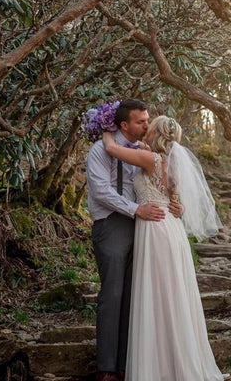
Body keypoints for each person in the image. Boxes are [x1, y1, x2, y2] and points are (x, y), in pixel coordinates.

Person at [102, 115, 227, 381]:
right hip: (171, 229)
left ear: (156, 132)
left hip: (155, 229)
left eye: (150, 125)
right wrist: (177, 206)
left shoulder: (152, 160)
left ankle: (158, 366)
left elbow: (112, 149)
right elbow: (175, 200)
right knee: (170, 294)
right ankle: (175, 361)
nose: (145, 128)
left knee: (157, 293)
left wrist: (103, 127)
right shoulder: (170, 162)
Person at [86, 99, 182, 381]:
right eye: (141, 121)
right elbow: (101, 191)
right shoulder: (99, 151)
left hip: (144, 226)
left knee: (136, 294)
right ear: (125, 124)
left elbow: (168, 186)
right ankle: (106, 368)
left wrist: (175, 205)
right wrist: (136, 209)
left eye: (148, 121)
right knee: (113, 294)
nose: (146, 125)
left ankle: (129, 363)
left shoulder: (145, 151)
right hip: (112, 223)